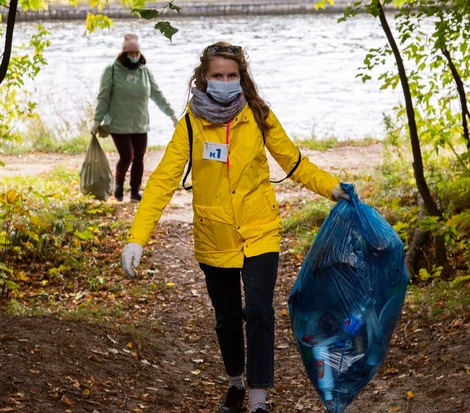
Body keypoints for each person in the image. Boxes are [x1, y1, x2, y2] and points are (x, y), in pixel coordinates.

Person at [121, 41, 350, 413]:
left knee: (259, 311)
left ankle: (259, 399)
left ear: (241, 78)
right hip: (215, 236)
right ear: (204, 77)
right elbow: (163, 180)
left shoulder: (258, 116)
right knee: (227, 317)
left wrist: (332, 188)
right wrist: (137, 238)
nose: (225, 81)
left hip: (259, 231)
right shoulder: (191, 124)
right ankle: (236, 383)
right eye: (218, 75)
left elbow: (294, 161)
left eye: (232, 75)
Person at [91, 33, 178, 202]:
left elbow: (157, 94)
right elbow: (103, 97)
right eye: (130, 54)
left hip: (140, 123)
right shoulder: (112, 71)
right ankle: (119, 186)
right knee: (127, 156)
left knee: (139, 158)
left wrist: (171, 115)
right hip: (118, 123)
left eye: (136, 54)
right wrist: (97, 120)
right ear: (123, 54)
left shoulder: (144, 72)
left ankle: (135, 192)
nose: (134, 57)